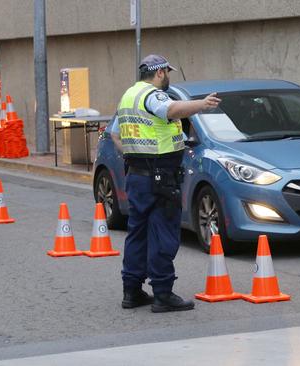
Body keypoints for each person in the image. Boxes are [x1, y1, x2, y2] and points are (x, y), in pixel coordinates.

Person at [116, 55, 221, 312]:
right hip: (160, 177)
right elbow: (171, 110)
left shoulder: (128, 95)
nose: (168, 76)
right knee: (163, 232)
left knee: (137, 232)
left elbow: (114, 134)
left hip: (138, 175)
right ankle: (162, 293)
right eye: (167, 72)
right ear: (160, 72)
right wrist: (202, 104)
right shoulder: (153, 95)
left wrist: (133, 155)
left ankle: (132, 291)